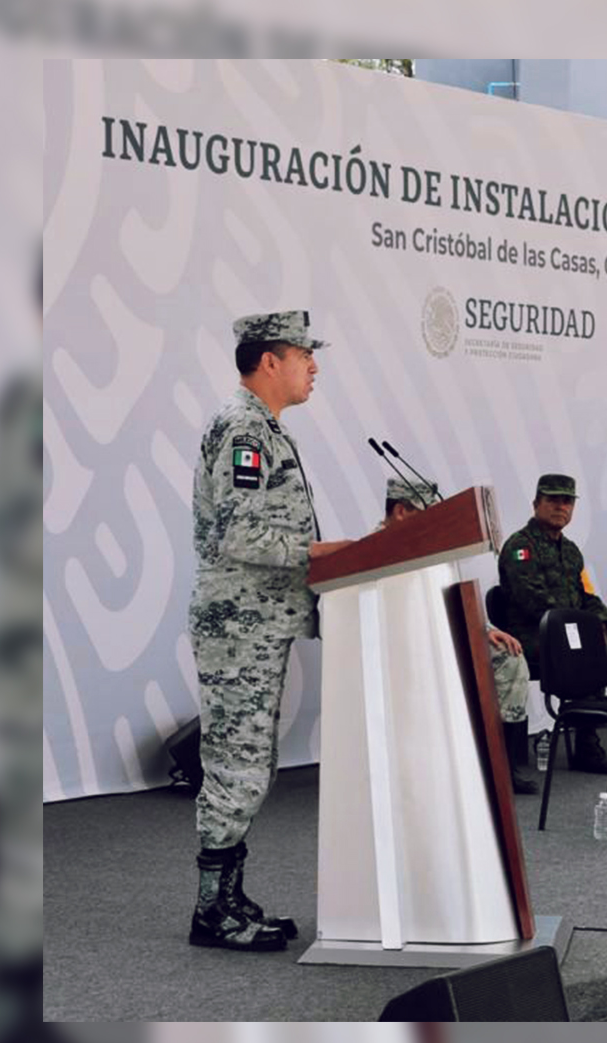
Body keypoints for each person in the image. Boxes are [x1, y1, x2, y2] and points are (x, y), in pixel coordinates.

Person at [188, 310, 353, 952]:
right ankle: (211, 912)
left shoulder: (263, 427)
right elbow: (239, 533)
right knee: (238, 764)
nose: (313, 366)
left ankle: (230, 895)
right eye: (303, 354)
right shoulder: (241, 429)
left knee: (250, 761)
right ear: (268, 361)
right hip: (240, 627)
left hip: (259, 624)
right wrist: (321, 551)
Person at [496, 473, 607, 772]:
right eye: (553, 500)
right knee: (586, 651)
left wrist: (601, 623)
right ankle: (587, 747)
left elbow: (586, 595)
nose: (561, 507)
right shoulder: (520, 548)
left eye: (567, 501)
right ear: (536, 503)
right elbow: (534, 603)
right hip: (537, 637)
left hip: (577, 634)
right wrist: (588, 633)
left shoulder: (571, 550)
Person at [381, 477, 539, 795]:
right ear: (401, 511)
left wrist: (487, 630)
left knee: (509, 658)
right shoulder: (370, 554)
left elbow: (456, 597)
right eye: (427, 514)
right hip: (401, 645)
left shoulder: (433, 548)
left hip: (444, 637)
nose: (435, 524)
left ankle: (505, 765)